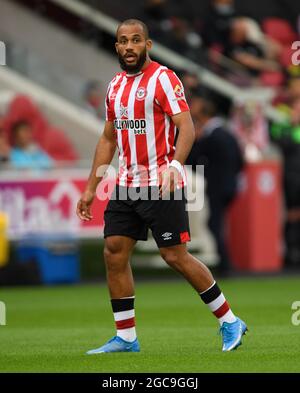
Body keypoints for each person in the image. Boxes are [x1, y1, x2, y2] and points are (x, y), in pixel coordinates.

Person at [76, 19, 247, 354]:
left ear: (147, 45)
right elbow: (109, 139)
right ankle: (126, 338)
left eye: (136, 40)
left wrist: (173, 165)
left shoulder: (164, 79)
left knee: (174, 256)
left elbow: (186, 128)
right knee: (113, 250)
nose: (129, 47)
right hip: (127, 184)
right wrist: (90, 187)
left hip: (161, 182)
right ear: (116, 47)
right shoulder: (114, 87)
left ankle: (229, 320)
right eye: (123, 41)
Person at [187, 96, 244, 274]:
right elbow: (241, 161)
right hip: (231, 186)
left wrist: (195, 140)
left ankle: (225, 265)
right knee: (217, 224)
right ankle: (225, 263)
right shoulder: (227, 133)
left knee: (214, 224)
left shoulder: (209, 136)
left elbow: (192, 159)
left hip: (217, 187)